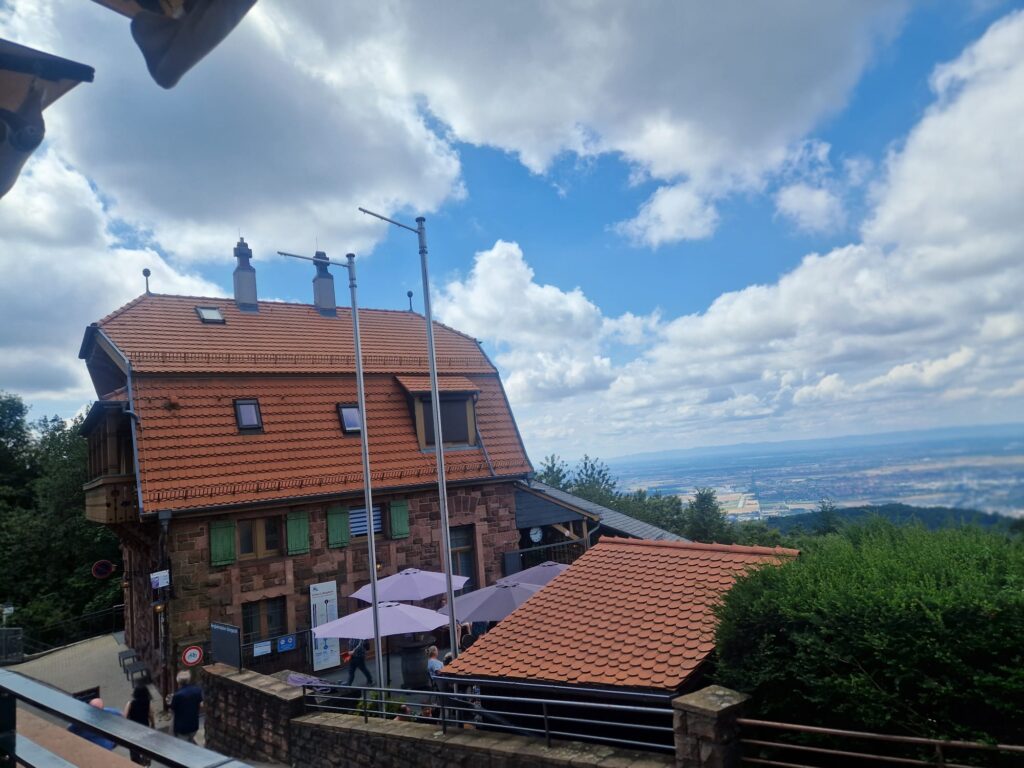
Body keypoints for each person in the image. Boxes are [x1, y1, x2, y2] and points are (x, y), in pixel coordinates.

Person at [123, 684, 155, 765]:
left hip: (133, 729)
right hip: (144, 728)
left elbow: (124, 716)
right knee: (145, 747)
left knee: (134, 749)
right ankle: (146, 762)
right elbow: (151, 715)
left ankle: (136, 763)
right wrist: (153, 724)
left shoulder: (130, 703)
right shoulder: (148, 703)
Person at [169, 670, 203, 743]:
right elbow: (200, 705)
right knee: (190, 741)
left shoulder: (178, 695)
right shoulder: (197, 690)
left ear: (178, 681)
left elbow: (172, 710)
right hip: (194, 725)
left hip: (182, 727)